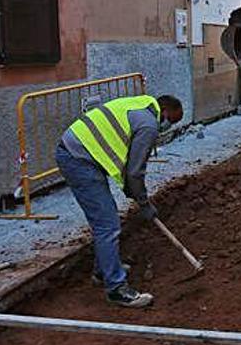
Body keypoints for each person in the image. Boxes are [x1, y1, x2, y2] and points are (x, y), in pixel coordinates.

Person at [55, 94, 184, 307]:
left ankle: (103, 270)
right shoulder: (149, 125)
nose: (168, 126)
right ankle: (116, 288)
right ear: (166, 112)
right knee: (107, 224)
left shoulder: (140, 105)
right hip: (78, 158)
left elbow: (127, 168)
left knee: (106, 220)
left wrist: (133, 192)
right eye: (173, 121)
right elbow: (135, 172)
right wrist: (144, 204)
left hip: (79, 152)